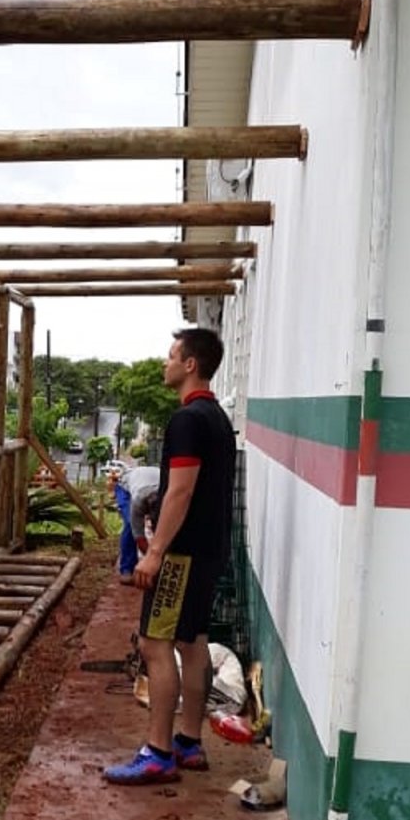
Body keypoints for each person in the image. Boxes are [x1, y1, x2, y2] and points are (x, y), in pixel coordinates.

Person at [104, 328, 236, 784]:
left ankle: (158, 751)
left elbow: (179, 492)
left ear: (190, 365)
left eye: (171, 356)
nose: (166, 363)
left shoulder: (187, 422)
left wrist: (154, 552)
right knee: (192, 642)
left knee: (154, 644)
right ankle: (189, 741)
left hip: (180, 555)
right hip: (211, 550)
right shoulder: (218, 419)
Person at [112, 463, 160, 581]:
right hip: (125, 487)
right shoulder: (138, 500)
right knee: (130, 525)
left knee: (161, 525)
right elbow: (139, 537)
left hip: (149, 479)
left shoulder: (168, 494)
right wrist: (151, 559)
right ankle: (127, 569)